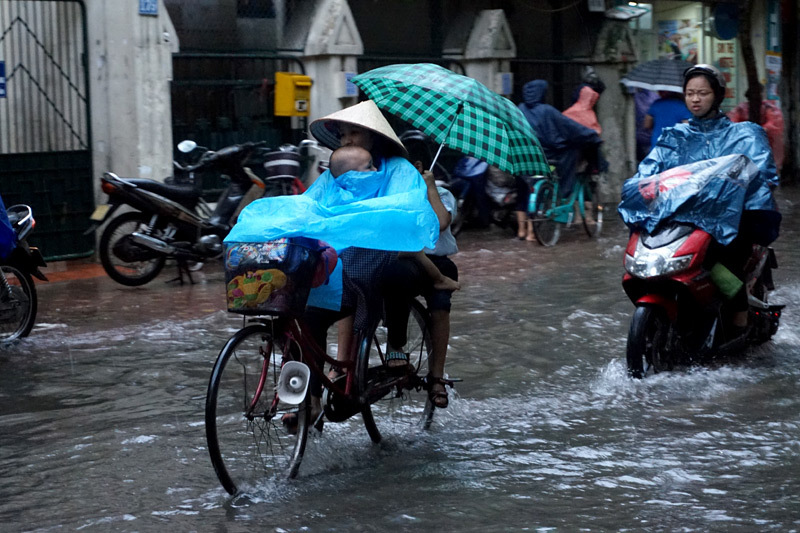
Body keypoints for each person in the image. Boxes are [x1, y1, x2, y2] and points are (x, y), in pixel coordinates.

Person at [632, 64, 781, 334]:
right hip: (682, 217)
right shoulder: (674, 136)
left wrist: (735, 192)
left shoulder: (744, 134)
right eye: (690, 93)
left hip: (732, 218)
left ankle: (739, 314)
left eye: (703, 93)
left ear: (718, 96)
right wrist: (641, 188)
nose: (696, 99)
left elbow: (762, 175)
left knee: (718, 262)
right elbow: (650, 171)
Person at [381, 132, 460, 408]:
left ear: (415, 167)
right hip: (405, 261)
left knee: (440, 306)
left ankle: (437, 377)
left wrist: (430, 189)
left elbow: (440, 223)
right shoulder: (393, 195)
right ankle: (396, 345)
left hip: (437, 261)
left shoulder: (443, 193)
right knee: (394, 277)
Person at [517, 79, 602, 199]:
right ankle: (564, 192)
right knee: (570, 154)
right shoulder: (546, 110)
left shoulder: (519, 109)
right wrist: (591, 135)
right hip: (548, 153)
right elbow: (570, 126)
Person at [727, 82, 785, 173]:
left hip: (766, 149)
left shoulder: (768, 108)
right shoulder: (742, 108)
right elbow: (731, 125)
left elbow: (774, 125)